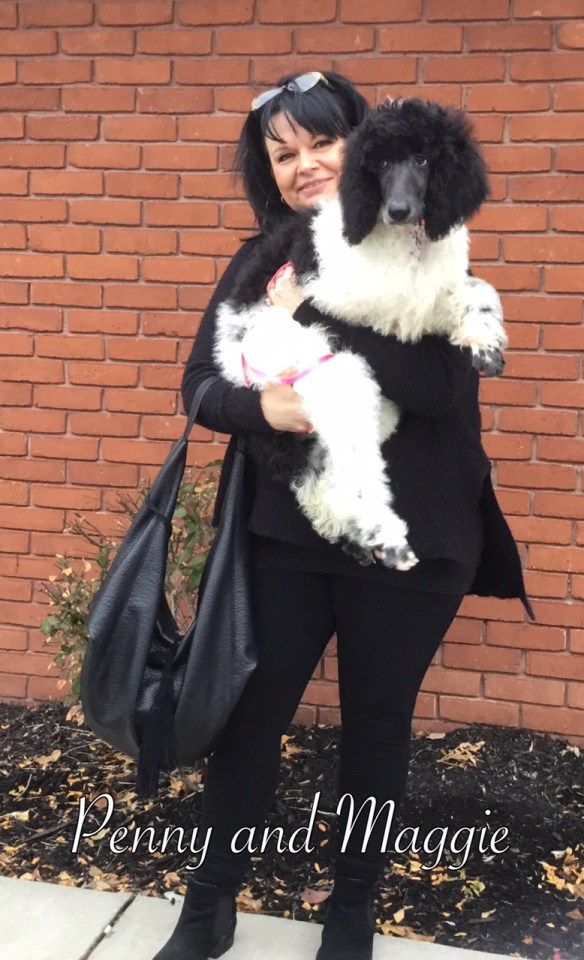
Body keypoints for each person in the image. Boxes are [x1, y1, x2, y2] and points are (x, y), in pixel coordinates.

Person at [153, 71, 534, 960]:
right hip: (286, 534)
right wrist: (261, 407)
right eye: (283, 153)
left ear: (364, 148)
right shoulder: (262, 261)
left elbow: (435, 387)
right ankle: (207, 905)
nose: (305, 165)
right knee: (250, 719)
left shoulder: (428, 246)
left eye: (322, 143)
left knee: (375, 725)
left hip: (416, 536)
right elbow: (200, 386)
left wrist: (318, 307)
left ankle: (351, 910)